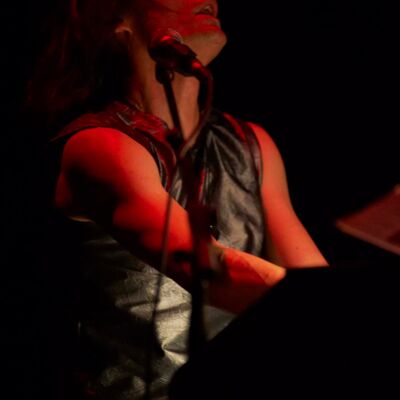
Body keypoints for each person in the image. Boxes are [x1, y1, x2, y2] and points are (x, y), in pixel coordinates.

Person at [26, 0, 328, 399]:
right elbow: (206, 270)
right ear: (117, 19)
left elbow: (314, 277)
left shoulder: (250, 144)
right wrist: (338, 304)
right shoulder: (101, 145)